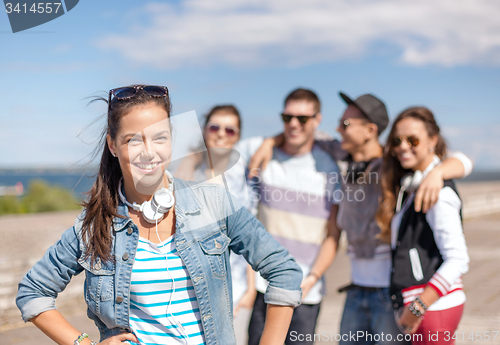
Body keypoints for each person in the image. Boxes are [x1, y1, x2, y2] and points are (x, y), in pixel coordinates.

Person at [16, 85, 303, 345]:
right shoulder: (94, 225)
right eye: (133, 140)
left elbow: (284, 271)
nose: (149, 152)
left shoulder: (215, 204)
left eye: (160, 137)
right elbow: (33, 292)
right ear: (113, 145)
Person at [248, 92, 473, 345]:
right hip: (356, 289)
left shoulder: (394, 163)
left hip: (389, 293)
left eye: (345, 124)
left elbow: (463, 161)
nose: (338, 129)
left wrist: (439, 172)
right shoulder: (341, 155)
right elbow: (302, 134)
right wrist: (269, 142)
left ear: (369, 130)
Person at [235, 88, 342, 345]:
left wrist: (312, 278)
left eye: (302, 118)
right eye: (287, 117)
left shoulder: (330, 167)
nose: (294, 124)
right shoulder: (261, 152)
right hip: (265, 286)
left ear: (317, 120)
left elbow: (333, 235)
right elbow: (217, 149)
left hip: (307, 292)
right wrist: (270, 142)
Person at [376, 107, 469, 345]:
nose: (403, 146)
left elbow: (458, 259)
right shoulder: (413, 186)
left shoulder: (439, 193)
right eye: (397, 140)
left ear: (433, 141)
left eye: (413, 139)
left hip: (433, 309)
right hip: (424, 308)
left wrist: (418, 307)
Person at [176, 104, 256, 345]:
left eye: (230, 130)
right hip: (189, 290)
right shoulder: (190, 169)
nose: (221, 133)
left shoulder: (244, 178)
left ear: (238, 136)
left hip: (235, 289)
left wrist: (251, 290)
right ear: (204, 130)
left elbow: (251, 238)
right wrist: (193, 158)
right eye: (215, 127)